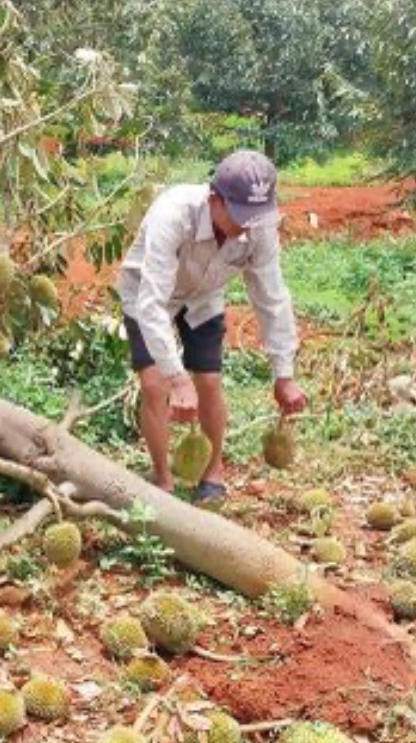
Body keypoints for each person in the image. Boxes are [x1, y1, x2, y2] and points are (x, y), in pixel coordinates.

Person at [116, 149, 307, 502]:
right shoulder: (173, 214)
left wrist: (284, 374)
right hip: (147, 294)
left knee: (208, 381)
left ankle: (212, 471)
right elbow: (152, 302)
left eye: (254, 216)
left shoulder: (260, 226)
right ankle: (163, 480)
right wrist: (176, 377)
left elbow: (272, 298)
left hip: (203, 298)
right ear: (215, 199)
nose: (246, 225)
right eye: (239, 215)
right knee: (155, 383)